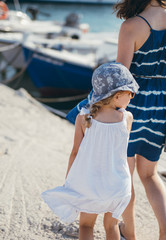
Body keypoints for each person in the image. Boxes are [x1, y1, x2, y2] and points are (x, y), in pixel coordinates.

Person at [113, 0, 166, 240]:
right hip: (163, 103)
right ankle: (165, 233)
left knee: (125, 174)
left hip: (133, 104)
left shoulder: (131, 25)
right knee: (150, 175)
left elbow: (122, 75)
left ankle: (130, 231)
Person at [42, 62, 139, 240]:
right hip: (117, 184)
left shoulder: (84, 117)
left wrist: (69, 181)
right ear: (117, 96)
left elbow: (75, 153)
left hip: (89, 185)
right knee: (112, 226)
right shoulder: (127, 118)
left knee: (86, 226)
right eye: (130, 92)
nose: (132, 96)